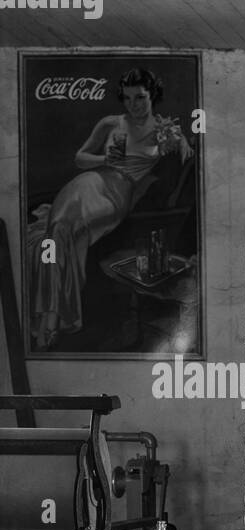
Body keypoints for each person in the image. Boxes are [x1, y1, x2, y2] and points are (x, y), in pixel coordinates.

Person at [27, 68, 192, 351]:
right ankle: (52, 315)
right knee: (58, 233)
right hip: (89, 181)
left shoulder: (165, 131)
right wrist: (106, 157)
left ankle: (52, 316)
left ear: (152, 95)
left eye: (139, 97)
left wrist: (181, 142)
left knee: (67, 234)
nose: (133, 105)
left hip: (117, 195)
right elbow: (80, 158)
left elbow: (188, 157)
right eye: (127, 99)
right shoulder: (111, 123)